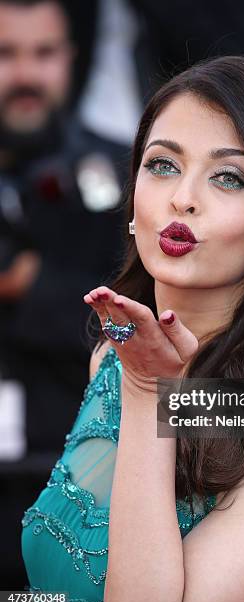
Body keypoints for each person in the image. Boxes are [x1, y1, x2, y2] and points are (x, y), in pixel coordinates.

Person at [21, 55, 244, 602]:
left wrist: (150, 394)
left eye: (228, 177)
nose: (183, 197)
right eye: (162, 165)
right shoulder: (110, 361)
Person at [0, 0, 129, 454]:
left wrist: (31, 286)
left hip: (84, 468)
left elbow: (139, 329)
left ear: (70, 57)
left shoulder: (130, 173)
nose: (26, 76)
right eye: (5, 53)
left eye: (44, 53)